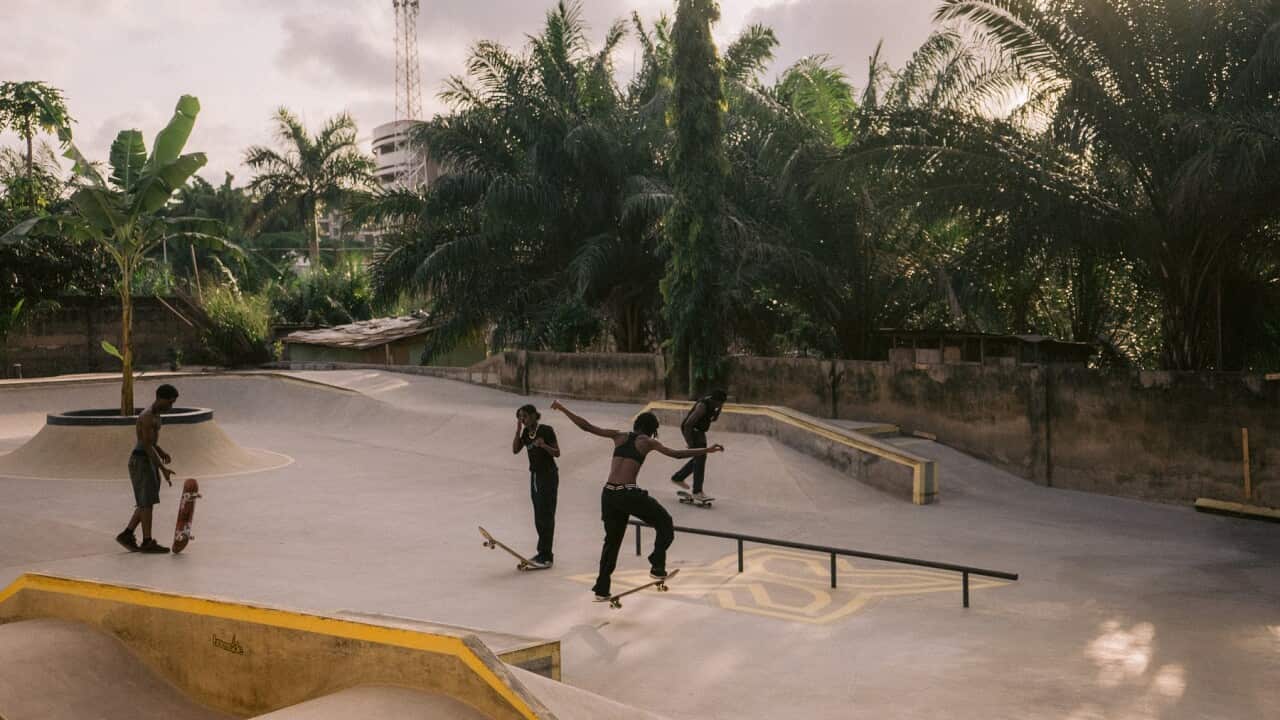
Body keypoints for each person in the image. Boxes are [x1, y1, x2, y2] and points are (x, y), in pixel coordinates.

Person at [550, 399, 724, 601]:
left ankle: (602, 587)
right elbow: (676, 454)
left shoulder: (618, 435)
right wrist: (706, 450)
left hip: (608, 494)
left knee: (612, 543)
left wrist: (562, 408)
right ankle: (657, 564)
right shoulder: (647, 442)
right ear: (651, 430)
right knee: (665, 523)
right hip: (627, 493)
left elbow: (586, 426)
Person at [116, 384, 179, 554]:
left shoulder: (157, 415)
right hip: (141, 460)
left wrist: (161, 450)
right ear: (160, 398)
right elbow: (145, 445)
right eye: (169, 402)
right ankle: (147, 541)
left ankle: (127, 534)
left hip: (147, 459)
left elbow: (151, 443)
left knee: (147, 501)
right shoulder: (147, 417)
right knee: (146, 503)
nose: (170, 407)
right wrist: (163, 468)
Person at [511, 403, 560, 569]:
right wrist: (518, 430)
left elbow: (557, 453)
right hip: (535, 476)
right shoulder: (525, 433)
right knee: (538, 514)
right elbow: (515, 450)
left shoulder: (546, 430)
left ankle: (547, 556)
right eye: (520, 418)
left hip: (548, 476)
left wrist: (544, 445)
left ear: (533, 415)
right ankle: (542, 552)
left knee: (546, 514)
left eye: (524, 416)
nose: (523, 420)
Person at [670, 389, 728, 501]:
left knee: (699, 458)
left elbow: (713, 419)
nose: (720, 405)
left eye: (722, 404)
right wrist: (690, 442)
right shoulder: (702, 406)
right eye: (720, 403)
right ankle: (697, 491)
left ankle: (678, 477)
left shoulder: (714, 405)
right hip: (692, 431)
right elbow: (687, 425)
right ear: (714, 400)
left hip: (699, 431)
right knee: (700, 458)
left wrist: (719, 409)